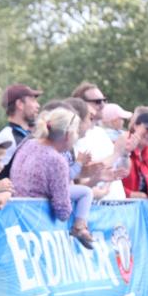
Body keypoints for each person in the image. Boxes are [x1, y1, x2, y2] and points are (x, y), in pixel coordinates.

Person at [10, 106, 95, 249]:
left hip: (16, 213)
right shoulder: (56, 160)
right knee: (86, 192)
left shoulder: (27, 143)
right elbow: (62, 211)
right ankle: (80, 227)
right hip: (36, 223)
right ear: (68, 135)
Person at [0, 83, 41, 179]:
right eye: (33, 101)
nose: (38, 105)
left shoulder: (29, 134)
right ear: (20, 104)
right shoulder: (7, 137)